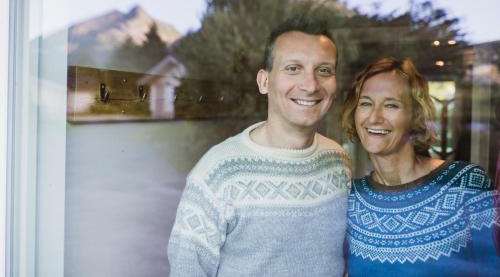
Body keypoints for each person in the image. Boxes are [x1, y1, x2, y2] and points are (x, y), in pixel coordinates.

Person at [168, 17, 352, 277]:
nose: (311, 85)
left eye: (324, 70)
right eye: (293, 68)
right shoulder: (219, 172)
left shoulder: (339, 160)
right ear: (264, 82)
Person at [341, 57, 500, 276]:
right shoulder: (352, 198)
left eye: (391, 105)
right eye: (366, 103)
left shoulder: (466, 183)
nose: (374, 117)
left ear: (415, 116)